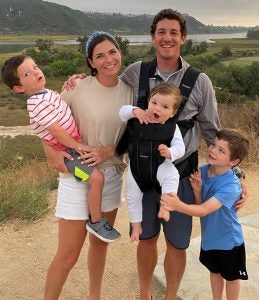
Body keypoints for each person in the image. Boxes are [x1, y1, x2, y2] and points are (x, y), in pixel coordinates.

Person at [64, 9, 247, 300]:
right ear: (152, 37)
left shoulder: (200, 82)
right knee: (146, 239)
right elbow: (106, 82)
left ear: (183, 38)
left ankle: (170, 296)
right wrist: (79, 80)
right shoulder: (136, 72)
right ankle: (145, 295)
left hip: (181, 174)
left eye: (174, 32)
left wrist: (236, 176)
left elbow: (214, 133)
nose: (167, 38)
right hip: (143, 171)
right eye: (161, 32)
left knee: (177, 244)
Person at [26, 31, 133, 299]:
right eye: (100, 56)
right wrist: (50, 153)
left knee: (99, 246)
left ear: (119, 52)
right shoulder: (77, 87)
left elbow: (135, 136)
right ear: (91, 62)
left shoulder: (131, 91)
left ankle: (94, 296)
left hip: (111, 175)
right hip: (77, 176)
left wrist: (108, 150)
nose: (108, 59)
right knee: (68, 253)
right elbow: (47, 124)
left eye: (112, 51)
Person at [1, 54, 120, 243]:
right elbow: (56, 131)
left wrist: (76, 80)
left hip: (72, 149)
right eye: (27, 74)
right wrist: (78, 146)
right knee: (97, 179)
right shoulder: (36, 104)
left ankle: (94, 215)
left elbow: (62, 105)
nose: (35, 72)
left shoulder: (45, 94)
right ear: (19, 88)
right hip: (69, 155)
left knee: (95, 178)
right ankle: (96, 221)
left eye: (36, 67)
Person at [161, 128, 249, 300]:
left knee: (231, 278)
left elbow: (203, 210)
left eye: (221, 150)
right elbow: (201, 207)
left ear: (234, 161)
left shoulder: (231, 186)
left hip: (229, 242)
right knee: (214, 272)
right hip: (209, 239)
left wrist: (178, 205)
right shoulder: (203, 171)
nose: (213, 150)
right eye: (214, 145)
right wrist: (197, 190)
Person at [117, 82, 185, 241]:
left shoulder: (171, 128)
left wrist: (169, 152)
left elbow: (180, 148)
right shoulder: (138, 117)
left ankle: (165, 206)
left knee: (172, 176)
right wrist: (135, 111)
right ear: (148, 101)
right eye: (154, 103)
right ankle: (136, 226)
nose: (157, 109)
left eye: (165, 106)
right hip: (136, 168)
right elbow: (121, 112)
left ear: (173, 112)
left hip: (159, 166)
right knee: (132, 195)